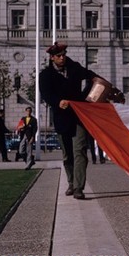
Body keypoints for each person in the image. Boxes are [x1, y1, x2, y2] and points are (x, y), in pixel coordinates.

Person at [39, 42, 110, 199]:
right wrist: (58, 102)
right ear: (52, 58)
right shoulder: (45, 75)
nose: (62, 57)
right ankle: (71, 182)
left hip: (79, 117)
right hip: (61, 118)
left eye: (64, 54)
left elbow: (92, 76)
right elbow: (46, 94)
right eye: (59, 56)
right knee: (67, 155)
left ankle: (78, 187)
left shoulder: (74, 67)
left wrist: (90, 96)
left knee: (80, 151)